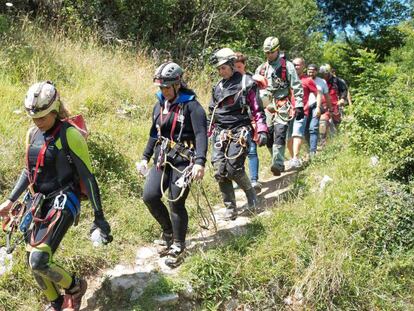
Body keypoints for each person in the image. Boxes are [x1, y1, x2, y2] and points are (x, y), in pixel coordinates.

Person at [0, 81, 112, 311]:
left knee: (39, 259)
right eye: (34, 118)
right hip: (38, 202)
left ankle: (75, 287)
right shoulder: (33, 133)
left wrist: (99, 217)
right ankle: (57, 303)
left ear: (54, 110)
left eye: (42, 117)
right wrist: (11, 200)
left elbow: (88, 177)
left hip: (64, 199)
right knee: (32, 260)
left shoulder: (70, 135)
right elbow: (28, 170)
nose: (38, 122)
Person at [137, 62, 207, 267]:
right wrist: (144, 157)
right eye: (161, 87)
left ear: (177, 85)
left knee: (175, 201)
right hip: (162, 157)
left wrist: (200, 162)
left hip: (184, 161)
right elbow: (154, 134)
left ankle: (178, 244)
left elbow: (202, 135)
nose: (164, 91)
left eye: (167, 87)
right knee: (149, 196)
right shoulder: (159, 104)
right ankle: (168, 231)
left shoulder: (192, 106)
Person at [209, 48, 268, 220]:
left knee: (234, 168)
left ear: (232, 65)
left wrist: (262, 129)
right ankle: (230, 208)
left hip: (240, 131)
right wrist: (205, 134)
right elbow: (211, 112)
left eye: (223, 68)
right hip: (220, 132)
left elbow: (258, 109)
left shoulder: (247, 83)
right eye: (219, 69)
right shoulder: (218, 87)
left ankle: (251, 197)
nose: (221, 72)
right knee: (219, 170)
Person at [256, 37, 304, 176]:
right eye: (266, 53)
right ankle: (277, 160)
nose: (269, 55)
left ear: (277, 50)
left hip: (283, 104)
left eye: (271, 52)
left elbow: (297, 86)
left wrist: (299, 105)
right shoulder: (261, 69)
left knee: (280, 132)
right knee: (269, 136)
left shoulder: (287, 66)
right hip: (267, 106)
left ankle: (277, 163)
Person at [234, 52, 262, 192]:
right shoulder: (228, 83)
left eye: (239, 66)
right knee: (238, 152)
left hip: (250, 120)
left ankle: (254, 180)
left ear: (244, 65)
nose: (237, 69)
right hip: (234, 123)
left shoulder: (250, 81)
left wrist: (259, 124)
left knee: (251, 150)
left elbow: (258, 104)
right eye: (234, 67)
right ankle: (241, 179)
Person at [287, 57, 320, 166]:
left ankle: (296, 158)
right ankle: (293, 158)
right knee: (288, 138)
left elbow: (318, 93)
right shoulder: (288, 78)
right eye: (294, 64)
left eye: (298, 65)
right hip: (287, 112)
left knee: (297, 133)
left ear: (303, 66)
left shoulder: (307, 80)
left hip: (302, 111)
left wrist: (318, 107)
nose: (295, 66)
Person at [306, 64, 331, 157]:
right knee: (305, 129)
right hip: (304, 107)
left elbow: (327, 95)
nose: (310, 72)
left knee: (313, 127)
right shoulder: (303, 80)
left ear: (316, 71)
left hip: (316, 106)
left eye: (313, 70)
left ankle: (312, 151)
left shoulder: (321, 82)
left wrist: (330, 108)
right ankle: (308, 148)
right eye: (309, 70)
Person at [319, 64, 347, 142]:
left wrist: (342, 99)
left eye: (325, 73)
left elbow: (344, 90)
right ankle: (323, 142)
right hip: (324, 105)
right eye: (322, 74)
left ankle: (340, 139)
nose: (324, 75)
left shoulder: (337, 80)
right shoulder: (319, 81)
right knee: (323, 122)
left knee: (338, 123)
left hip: (336, 105)